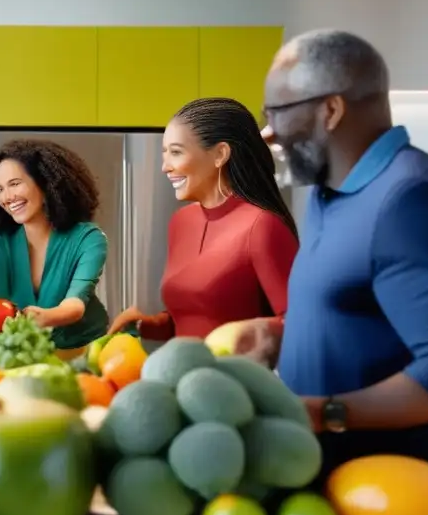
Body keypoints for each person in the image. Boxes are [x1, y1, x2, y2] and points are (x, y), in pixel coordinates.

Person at [240, 29, 428, 515]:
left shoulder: (411, 199)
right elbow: (365, 313)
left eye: (277, 114)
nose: (268, 135)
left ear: (330, 110)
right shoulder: (330, 193)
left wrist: (324, 412)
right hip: (348, 501)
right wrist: (278, 336)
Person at [109, 97, 299, 340]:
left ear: (220, 154)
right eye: (164, 153)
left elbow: (298, 324)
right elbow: (193, 318)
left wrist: (238, 336)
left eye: (176, 152)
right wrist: (150, 324)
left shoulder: (262, 226)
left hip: (239, 376)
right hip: (186, 374)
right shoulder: (181, 223)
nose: (165, 167)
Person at [0, 139, 108, 354]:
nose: (7, 197)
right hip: (21, 352)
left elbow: (76, 304)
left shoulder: (88, 238)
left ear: (45, 183)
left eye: (14, 184)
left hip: (84, 349)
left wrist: (45, 317)